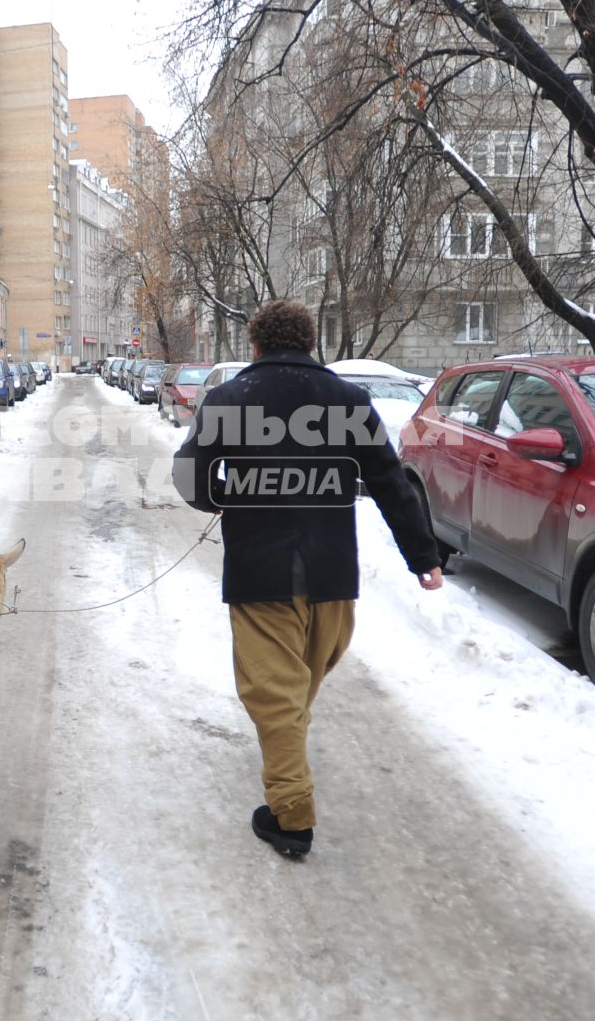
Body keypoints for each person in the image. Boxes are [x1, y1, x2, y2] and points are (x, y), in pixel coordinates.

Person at [172, 299, 443, 859]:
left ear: (256, 345)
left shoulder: (231, 399)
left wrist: (220, 498)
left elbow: (190, 473)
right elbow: (392, 483)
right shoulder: (349, 401)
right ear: (310, 342)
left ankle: (291, 819)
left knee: (275, 698)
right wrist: (424, 556)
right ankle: (287, 777)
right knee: (291, 694)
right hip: (331, 575)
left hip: (261, 573)